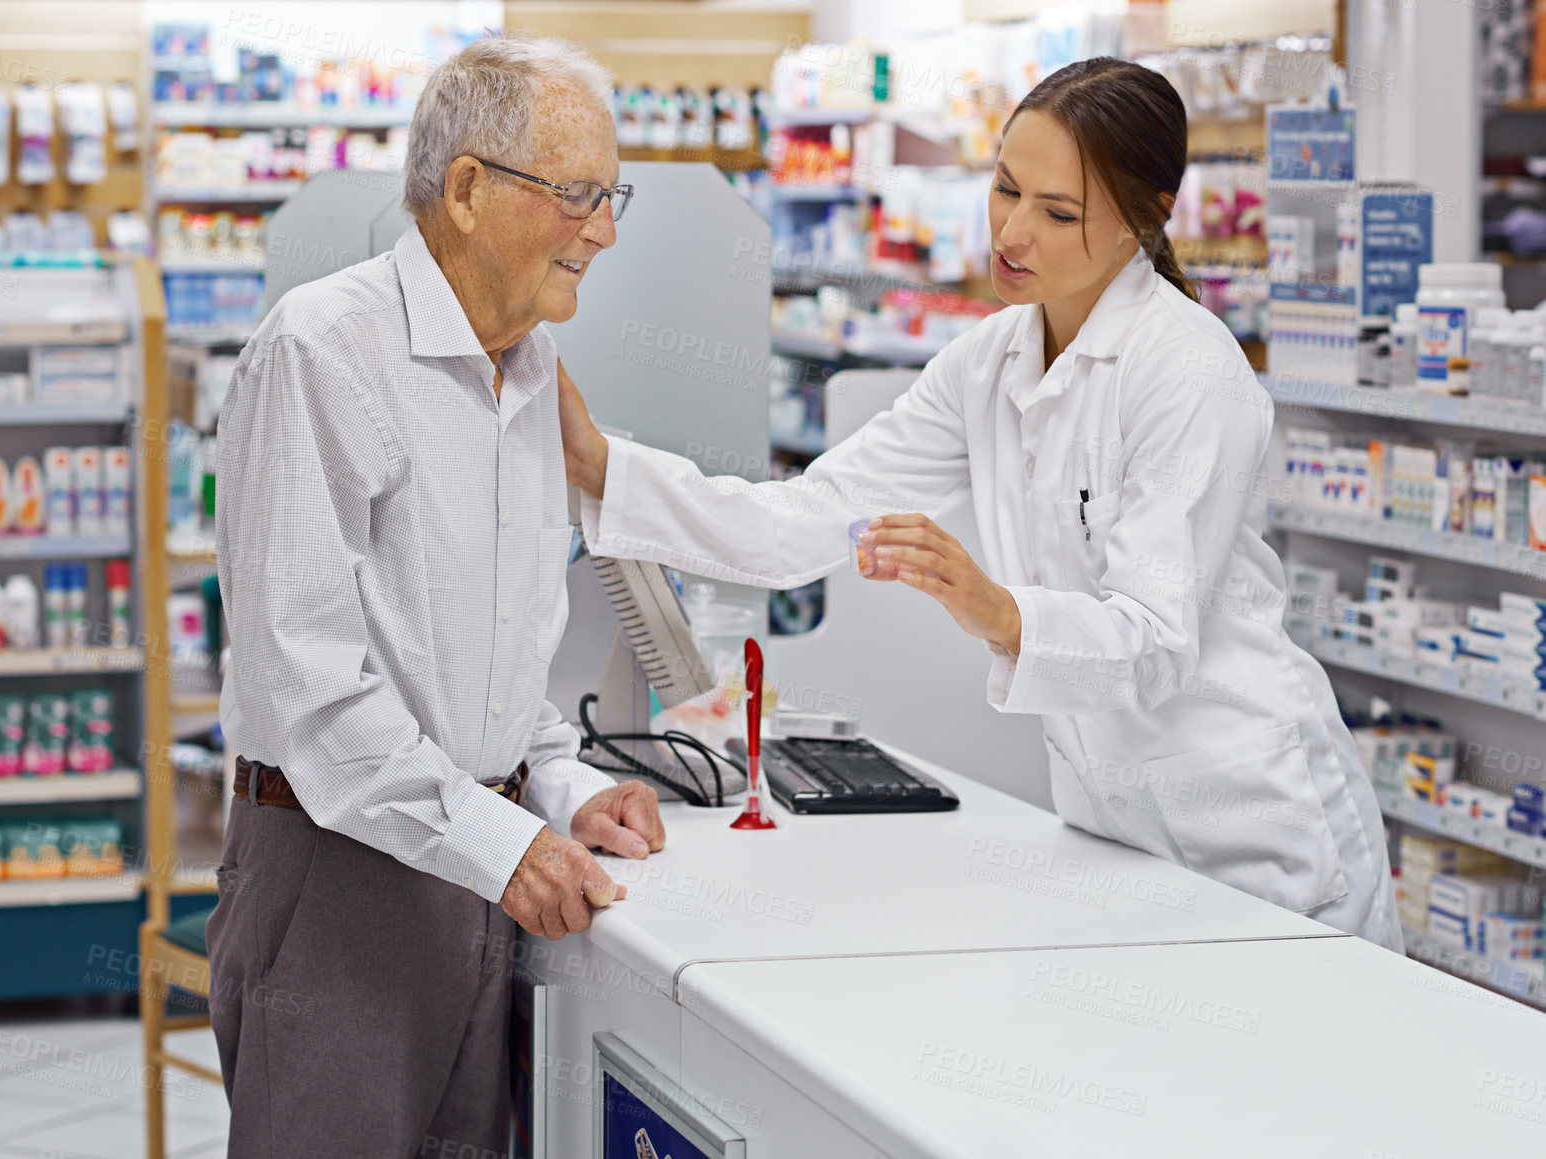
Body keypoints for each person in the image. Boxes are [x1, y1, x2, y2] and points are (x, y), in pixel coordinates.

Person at [559, 57, 1402, 951]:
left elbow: (1153, 644)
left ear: (1146, 219)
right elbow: (809, 516)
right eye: (1005, 189)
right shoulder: (991, 358)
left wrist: (997, 612)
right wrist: (598, 461)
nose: (1012, 231)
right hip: (1112, 828)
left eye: (1058, 212)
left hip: (1253, 835)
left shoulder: (1188, 372)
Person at [206, 35, 666, 1158]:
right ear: (466, 189)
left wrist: (563, 784)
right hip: (340, 882)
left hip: (477, 867)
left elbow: (499, 657)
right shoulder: (322, 354)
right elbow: (304, 688)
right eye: (578, 195)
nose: (604, 231)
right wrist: (496, 840)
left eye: (614, 197)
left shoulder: (529, 370)